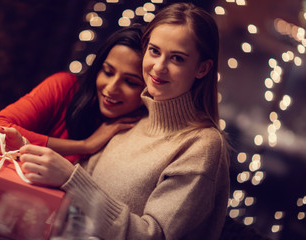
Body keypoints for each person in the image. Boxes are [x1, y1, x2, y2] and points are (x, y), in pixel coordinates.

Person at [18, 2, 230, 239]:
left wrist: (71, 179)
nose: (159, 67)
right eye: (154, 51)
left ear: (202, 69)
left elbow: (154, 236)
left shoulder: (202, 146)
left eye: (177, 58)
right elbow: (75, 210)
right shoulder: (132, 118)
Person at [0, 25, 146, 163]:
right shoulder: (66, 86)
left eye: (130, 82)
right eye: (108, 72)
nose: (111, 88)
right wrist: (84, 146)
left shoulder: (139, 127)